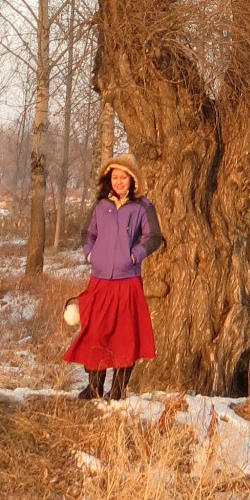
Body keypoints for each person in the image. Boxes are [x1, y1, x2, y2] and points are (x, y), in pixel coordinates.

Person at [65, 153, 163, 400]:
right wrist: (90, 255)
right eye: (115, 177)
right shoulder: (101, 206)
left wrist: (133, 256)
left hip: (127, 281)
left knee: (125, 337)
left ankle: (118, 391)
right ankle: (95, 387)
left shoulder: (142, 207)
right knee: (95, 332)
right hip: (99, 280)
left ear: (132, 180)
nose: (119, 182)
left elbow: (154, 238)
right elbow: (88, 234)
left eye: (124, 177)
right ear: (109, 180)